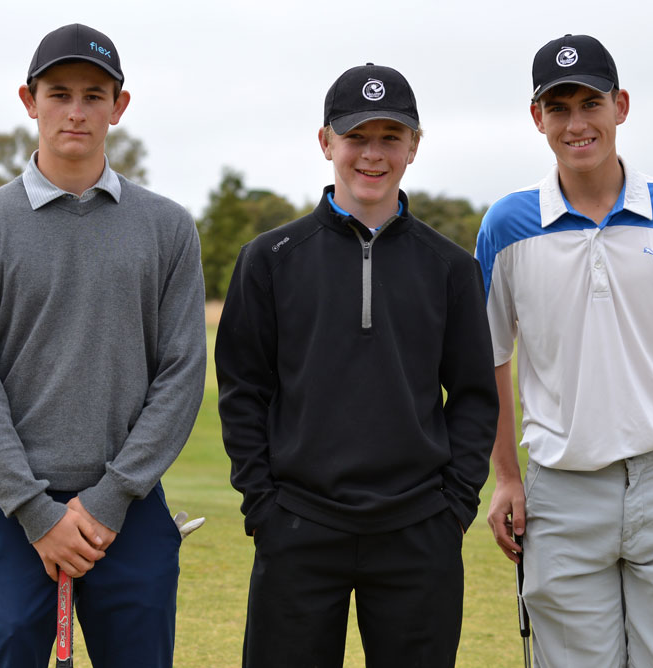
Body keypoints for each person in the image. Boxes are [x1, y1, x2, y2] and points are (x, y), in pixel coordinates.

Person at [0, 23, 207, 668]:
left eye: (94, 95)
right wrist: (38, 514)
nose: (76, 111)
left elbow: (182, 373)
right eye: (59, 94)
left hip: (129, 509)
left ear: (119, 105)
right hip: (12, 512)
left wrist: (110, 499)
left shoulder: (168, 227)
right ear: (30, 101)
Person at [476, 34, 653, 667]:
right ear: (538, 118)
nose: (576, 124)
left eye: (591, 104)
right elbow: (490, 358)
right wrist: (507, 476)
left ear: (620, 106)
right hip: (560, 493)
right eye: (559, 108)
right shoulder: (506, 225)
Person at [215, 63, 499, 667]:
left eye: (390, 137)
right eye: (356, 137)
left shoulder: (451, 268)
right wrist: (262, 505)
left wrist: (454, 508)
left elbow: (475, 397)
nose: (373, 154)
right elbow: (243, 391)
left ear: (414, 147)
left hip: (419, 531)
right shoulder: (268, 259)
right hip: (297, 526)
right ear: (326, 142)